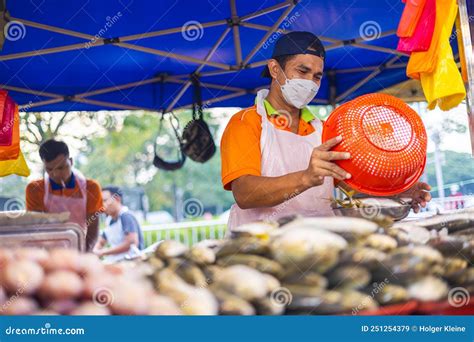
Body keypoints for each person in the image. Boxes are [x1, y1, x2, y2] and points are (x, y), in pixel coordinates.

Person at [220, 31, 432, 230]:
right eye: (302, 71)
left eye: (317, 76)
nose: (310, 82)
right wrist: (305, 177)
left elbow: (352, 189)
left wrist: (398, 194)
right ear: (275, 69)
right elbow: (245, 193)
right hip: (260, 247)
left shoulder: (324, 129)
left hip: (320, 243)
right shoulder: (245, 122)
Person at [25, 139, 103, 251]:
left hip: (81, 247)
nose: (55, 174)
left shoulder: (91, 188)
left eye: (61, 167)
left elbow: (93, 229)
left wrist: (84, 253)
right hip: (48, 251)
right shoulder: (34, 189)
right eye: (49, 169)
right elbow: (36, 227)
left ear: (71, 161)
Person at [93, 186, 144, 262]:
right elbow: (101, 241)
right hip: (116, 261)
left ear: (117, 199)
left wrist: (102, 252)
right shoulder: (109, 220)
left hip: (130, 262)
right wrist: (94, 250)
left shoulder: (126, 217)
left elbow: (131, 243)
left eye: (105, 200)